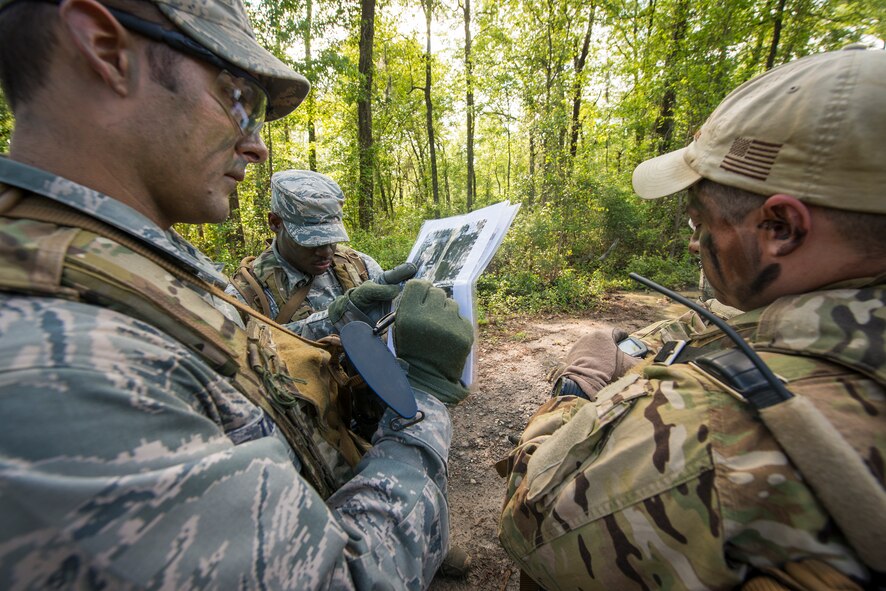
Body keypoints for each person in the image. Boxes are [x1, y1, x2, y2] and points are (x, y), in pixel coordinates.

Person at [0, 0, 474, 588]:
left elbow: (246, 360)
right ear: (103, 49)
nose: (256, 145)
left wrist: (340, 315)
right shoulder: (58, 366)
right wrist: (421, 400)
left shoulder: (132, 267)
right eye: (238, 96)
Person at [498, 46, 885, 590]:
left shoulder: (712, 432)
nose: (692, 241)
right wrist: (652, 342)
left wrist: (578, 386)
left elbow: (530, 516)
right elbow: (745, 326)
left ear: (781, 228)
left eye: (701, 219)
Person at [227, 169, 399, 340]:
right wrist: (336, 319)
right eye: (311, 240)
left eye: (331, 238)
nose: (326, 252)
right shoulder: (245, 295)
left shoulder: (359, 265)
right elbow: (245, 356)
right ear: (275, 223)